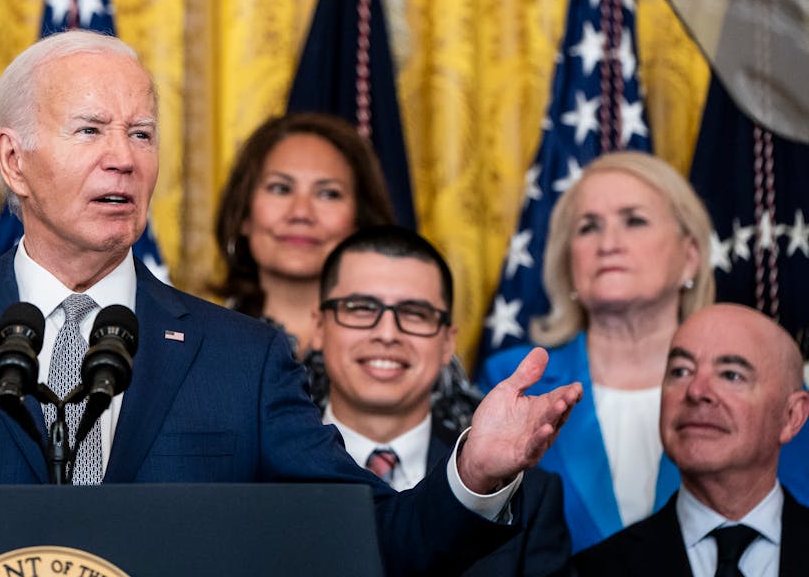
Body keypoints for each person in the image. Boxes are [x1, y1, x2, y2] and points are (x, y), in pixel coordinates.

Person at [0, 30, 582, 577]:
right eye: (92, 130)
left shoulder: (240, 357)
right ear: (13, 159)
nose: (125, 157)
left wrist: (474, 474)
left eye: (142, 133)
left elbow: (364, 545)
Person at [480, 151, 715, 552]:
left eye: (634, 221)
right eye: (588, 227)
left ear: (689, 257)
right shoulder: (511, 379)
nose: (608, 244)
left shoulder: (755, 384)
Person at [317, 226, 570, 577]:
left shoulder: (526, 497)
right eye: (361, 308)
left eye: (415, 313)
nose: (387, 334)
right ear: (319, 326)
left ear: (448, 342)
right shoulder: (262, 471)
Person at [216, 111, 482, 433]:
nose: (301, 213)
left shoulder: (413, 343)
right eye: (280, 188)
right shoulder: (205, 342)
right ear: (243, 214)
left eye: (328, 194)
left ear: (360, 219)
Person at [572, 304, 809, 576]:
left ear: (792, 416)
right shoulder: (592, 570)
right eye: (680, 371)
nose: (695, 391)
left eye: (731, 375)